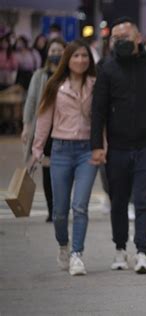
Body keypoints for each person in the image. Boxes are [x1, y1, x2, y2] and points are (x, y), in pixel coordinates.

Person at [90, 17, 146, 274]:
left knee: (144, 200)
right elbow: (98, 110)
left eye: (124, 38)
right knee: (118, 202)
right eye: (115, 39)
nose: (119, 42)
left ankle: (142, 252)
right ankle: (119, 249)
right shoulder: (106, 68)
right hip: (116, 148)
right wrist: (96, 145)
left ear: (138, 38)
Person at [31, 40, 98, 276]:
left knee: (79, 206)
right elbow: (43, 119)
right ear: (67, 60)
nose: (81, 60)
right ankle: (63, 245)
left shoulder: (96, 85)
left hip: (87, 152)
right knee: (59, 211)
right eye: (76, 56)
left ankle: (77, 255)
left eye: (84, 56)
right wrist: (37, 148)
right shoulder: (55, 85)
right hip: (60, 151)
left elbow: (102, 120)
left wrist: (103, 147)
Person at [22, 37, 66, 222]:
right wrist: (26, 126)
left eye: (59, 50)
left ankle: (61, 207)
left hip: (65, 130)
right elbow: (31, 101)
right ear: (48, 53)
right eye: (53, 50)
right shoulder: (40, 75)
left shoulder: (70, 74)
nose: (56, 54)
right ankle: (52, 209)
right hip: (46, 131)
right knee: (48, 172)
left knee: (63, 172)